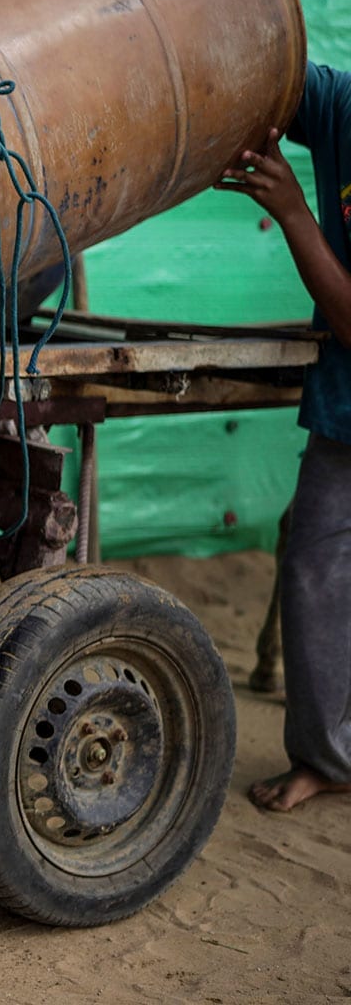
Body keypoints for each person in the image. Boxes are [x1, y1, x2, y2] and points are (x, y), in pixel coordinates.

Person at [215, 62, 351, 813]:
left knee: (321, 566)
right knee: (314, 571)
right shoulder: (342, 105)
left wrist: (295, 213)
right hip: (345, 404)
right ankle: (330, 757)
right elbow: (271, 69)